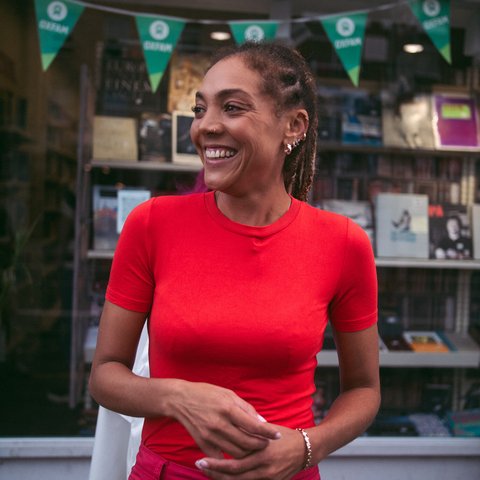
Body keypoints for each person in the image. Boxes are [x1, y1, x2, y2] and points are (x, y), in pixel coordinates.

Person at [89, 41, 380, 480]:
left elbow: (364, 389)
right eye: (200, 109)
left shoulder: (342, 243)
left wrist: (305, 447)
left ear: (293, 125)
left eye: (232, 108)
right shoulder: (153, 224)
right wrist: (178, 397)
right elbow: (105, 375)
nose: (206, 126)